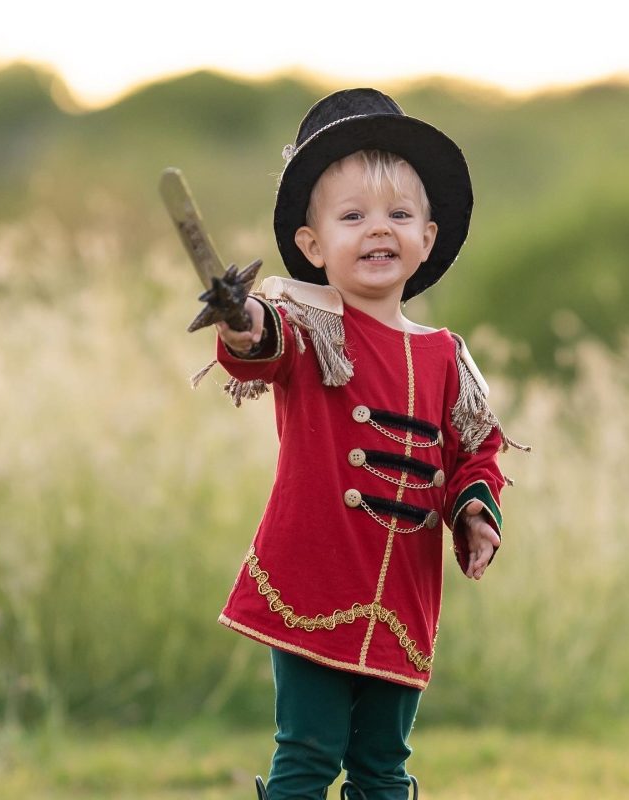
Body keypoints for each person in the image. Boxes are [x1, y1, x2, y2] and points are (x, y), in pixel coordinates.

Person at [208, 88, 525, 800]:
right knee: (308, 756)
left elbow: (476, 454)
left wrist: (474, 512)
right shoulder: (306, 327)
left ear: (427, 238)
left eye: (398, 215)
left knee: (384, 768)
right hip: (314, 580)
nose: (377, 229)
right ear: (313, 245)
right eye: (352, 216)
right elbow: (260, 344)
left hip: (405, 599)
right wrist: (240, 319)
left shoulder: (447, 356)